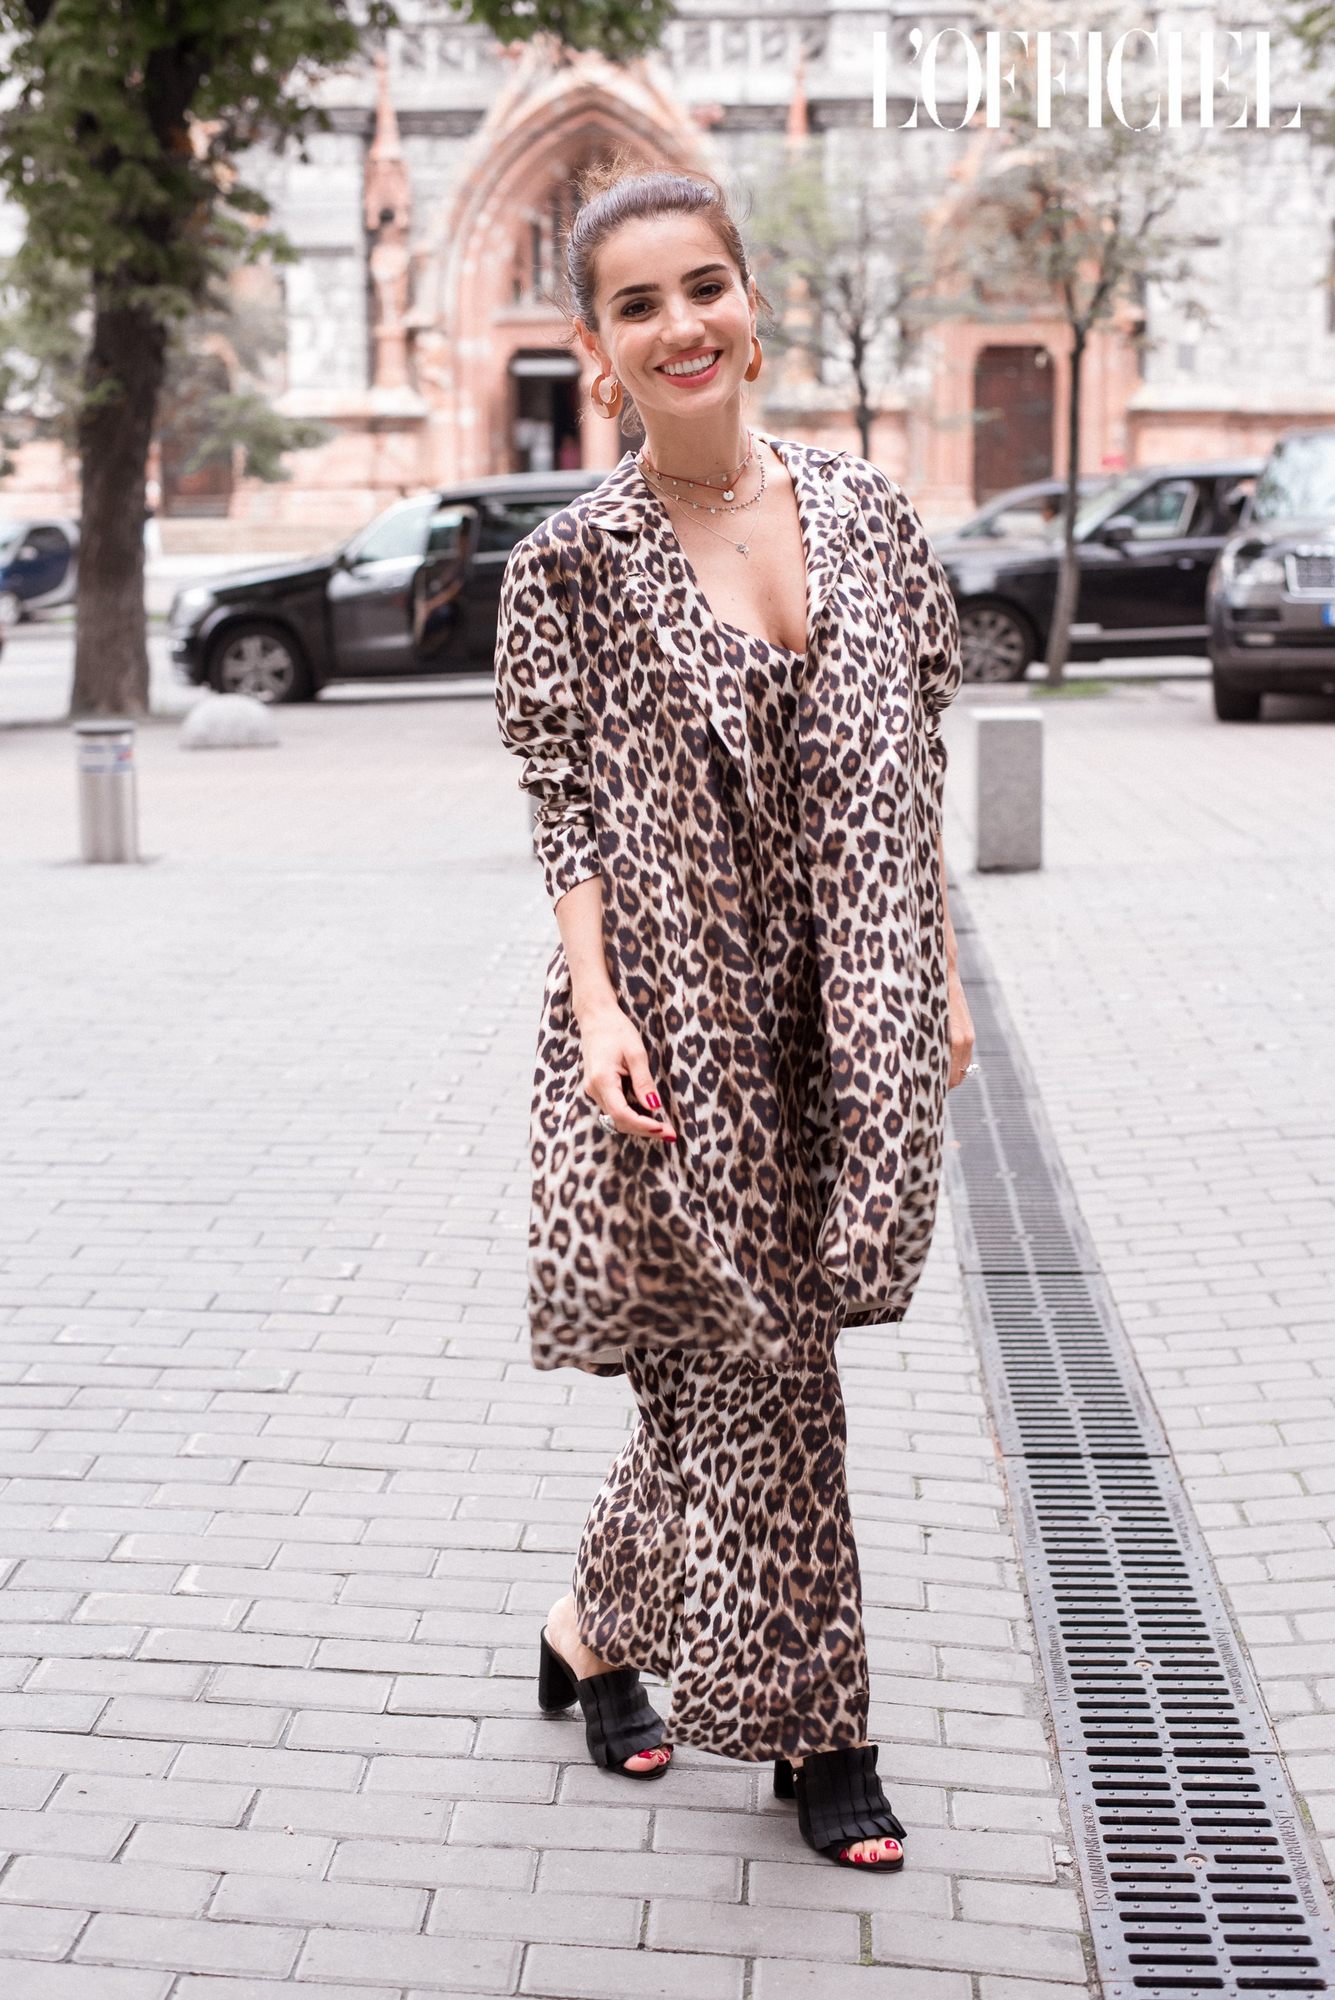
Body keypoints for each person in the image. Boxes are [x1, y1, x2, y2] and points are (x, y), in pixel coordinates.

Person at [494, 161, 976, 1872]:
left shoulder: (867, 512)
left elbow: (915, 759)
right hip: (678, 1025)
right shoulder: (571, 564)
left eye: (704, 286)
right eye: (638, 305)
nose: (681, 324)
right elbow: (563, 802)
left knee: (723, 1390)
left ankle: (589, 1627)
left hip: (852, 1014)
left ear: (751, 302)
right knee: (777, 1377)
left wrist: (940, 967)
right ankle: (826, 1738)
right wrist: (598, 1005)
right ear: (598, 346)